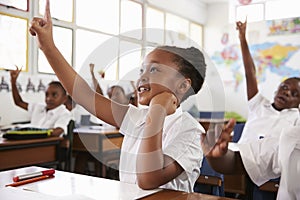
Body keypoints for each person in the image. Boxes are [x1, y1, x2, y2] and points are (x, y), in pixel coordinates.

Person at [29, 0, 207, 192]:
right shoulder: (136, 118)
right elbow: (82, 94)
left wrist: (157, 112)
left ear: (182, 85)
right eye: (141, 70)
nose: (142, 77)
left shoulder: (190, 133)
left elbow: (148, 179)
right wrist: (48, 48)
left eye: (154, 69)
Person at [203, 19, 300, 200]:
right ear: (277, 89)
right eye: (285, 87)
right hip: (241, 157)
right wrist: (242, 38)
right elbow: (250, 73)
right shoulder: (259, 104)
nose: (287, 93)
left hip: (271, 170)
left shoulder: (296, 120)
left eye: (294, 93)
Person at [10, 66, 72, 137]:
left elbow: (58, 131)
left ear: (64, 98)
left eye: (54, 95)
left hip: (46, 145)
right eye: (47, 95)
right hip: (29, 141)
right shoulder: (38, 107)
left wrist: (34, 133)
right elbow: (19, 102)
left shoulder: (64, 113)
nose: (49, 99)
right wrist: (13, 81)